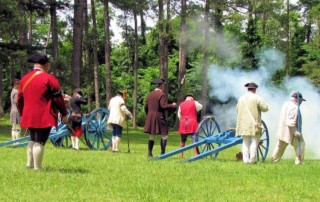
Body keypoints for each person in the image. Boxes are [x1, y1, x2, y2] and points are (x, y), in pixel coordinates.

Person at [17, 53, 68, 170]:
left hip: (28, 115)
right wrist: (64, 113)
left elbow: (19, 100)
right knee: (40, 141)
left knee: (32, 139)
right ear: (46, 65)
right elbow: (58, 99)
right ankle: (37, 168)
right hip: (43, 115)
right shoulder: (50, 78)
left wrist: (22, 113)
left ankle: (29, 165)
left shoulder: (24, 79)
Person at [236, 82, 269, 164]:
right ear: (254, 89)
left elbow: (237, 110)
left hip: (243, 124)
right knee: (254, 142)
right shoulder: (256, 98)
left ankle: (246, 160)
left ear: (248, 89)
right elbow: (265, 108)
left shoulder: (241, 98)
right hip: (254, 124)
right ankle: (252, 160)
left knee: (245, 142)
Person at [144, 79, 177, 157]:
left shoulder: (149, 94)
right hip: (159, 116)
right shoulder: (161, 95)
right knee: (164, 134)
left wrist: (148, 115)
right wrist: (172, 105)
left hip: (150, 116)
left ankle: (149, 153)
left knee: (152, 135)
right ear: (161, 86)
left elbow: (146, 107)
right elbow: (163, 106)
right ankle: (162, 153)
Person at [271, 92, 306, 165]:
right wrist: (296, 132)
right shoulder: (294, 107)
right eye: (301, 100)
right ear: (298, 99)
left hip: (283, 130)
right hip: (291, 131)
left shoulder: (286, 104)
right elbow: (291, 122)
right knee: (301, 144)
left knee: (280, 146)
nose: (301, 102)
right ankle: (299, 162)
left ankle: (274, 160)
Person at [10, 79, 21, 144]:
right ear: (14, 84)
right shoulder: (16, 92)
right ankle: (17, 142)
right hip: (17, 111)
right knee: (17, 128)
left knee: (14, 128)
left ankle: (14, 142)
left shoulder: (12, 91)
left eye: (19, 83)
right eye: (18, 84)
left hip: (13, 110)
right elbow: (17, 102)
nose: (19, 85)